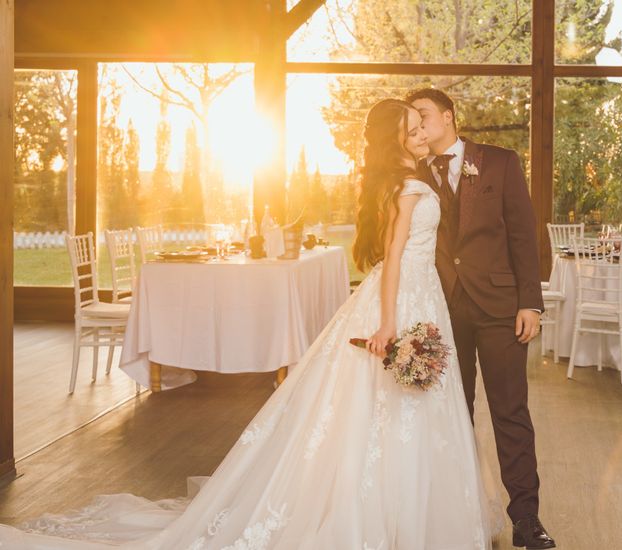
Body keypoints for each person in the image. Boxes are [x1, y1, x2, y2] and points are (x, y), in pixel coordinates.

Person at [0, 99, 500, 549]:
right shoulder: (409, 186)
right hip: (404, 299)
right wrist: (389, 323)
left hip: (421, 296)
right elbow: (392, 259)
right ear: (395, 139)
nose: (418, 135)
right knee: (390, 406)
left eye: (420, 126)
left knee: (396, 406)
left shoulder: (401, 183)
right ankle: (396, 518)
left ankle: (400, 512)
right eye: (411, 129)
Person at [406, 88, 555, 550]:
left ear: (449, 117)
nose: (417, 128)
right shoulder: (411, 174)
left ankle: (526, 520)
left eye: (424, 117)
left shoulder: (500, 161)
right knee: (454, 414)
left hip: (501, 308)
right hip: (443, 310)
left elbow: (524, 234)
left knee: (511, 412)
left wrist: (530, 301)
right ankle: (462, 512)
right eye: (411, 122)